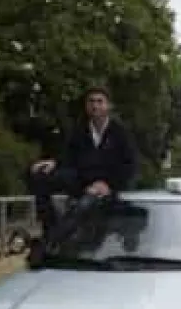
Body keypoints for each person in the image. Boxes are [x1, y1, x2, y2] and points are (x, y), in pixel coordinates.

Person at [26, 85, 138, 255]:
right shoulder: (79, 130)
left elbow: (130, 166)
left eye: (100, 101)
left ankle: (54, 241)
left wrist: (108, 185)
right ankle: (50, 227)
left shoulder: (120, 133)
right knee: (39, 176)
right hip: (82, 179)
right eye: (91, 102)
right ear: (86, 106)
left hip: (108, 186)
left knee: (84, 205)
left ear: (108, 106)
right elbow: (68, 154)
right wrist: (53, 162)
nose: (95, 106)